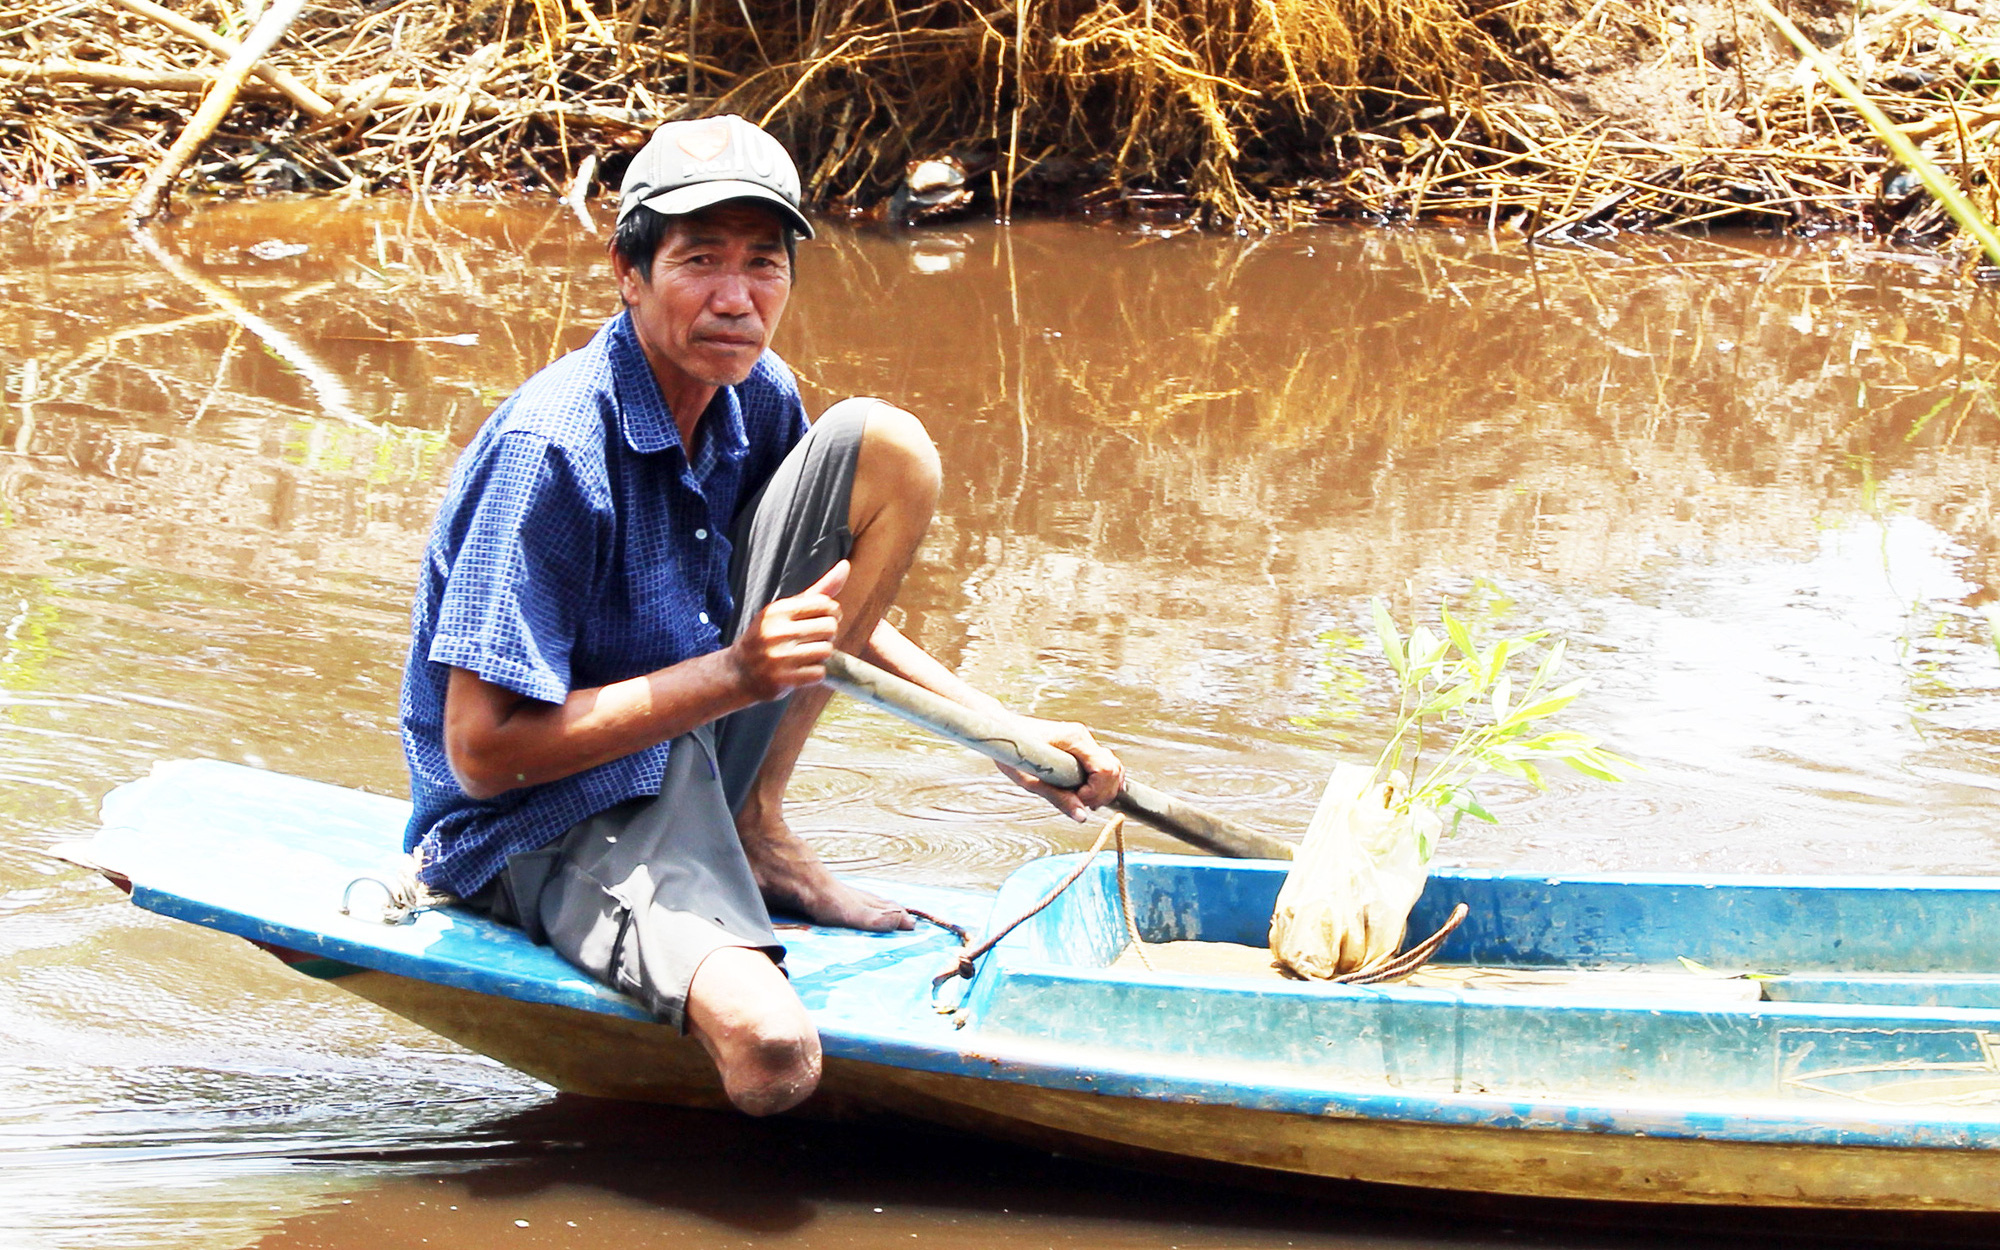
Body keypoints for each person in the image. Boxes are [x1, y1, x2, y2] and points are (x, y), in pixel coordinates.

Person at [398, 114, 1123, 1117]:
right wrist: (734, 676)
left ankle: (752, 822)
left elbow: (824, 627)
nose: (735, 300)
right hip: (547, 814)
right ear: (627, 271)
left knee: (886, 445)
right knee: (774, 1048)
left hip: (690, 748)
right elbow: (480, 754)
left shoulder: (754, 396)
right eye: (698, 261)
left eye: (762, 264)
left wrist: (1001, 731)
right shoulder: (550, 450)